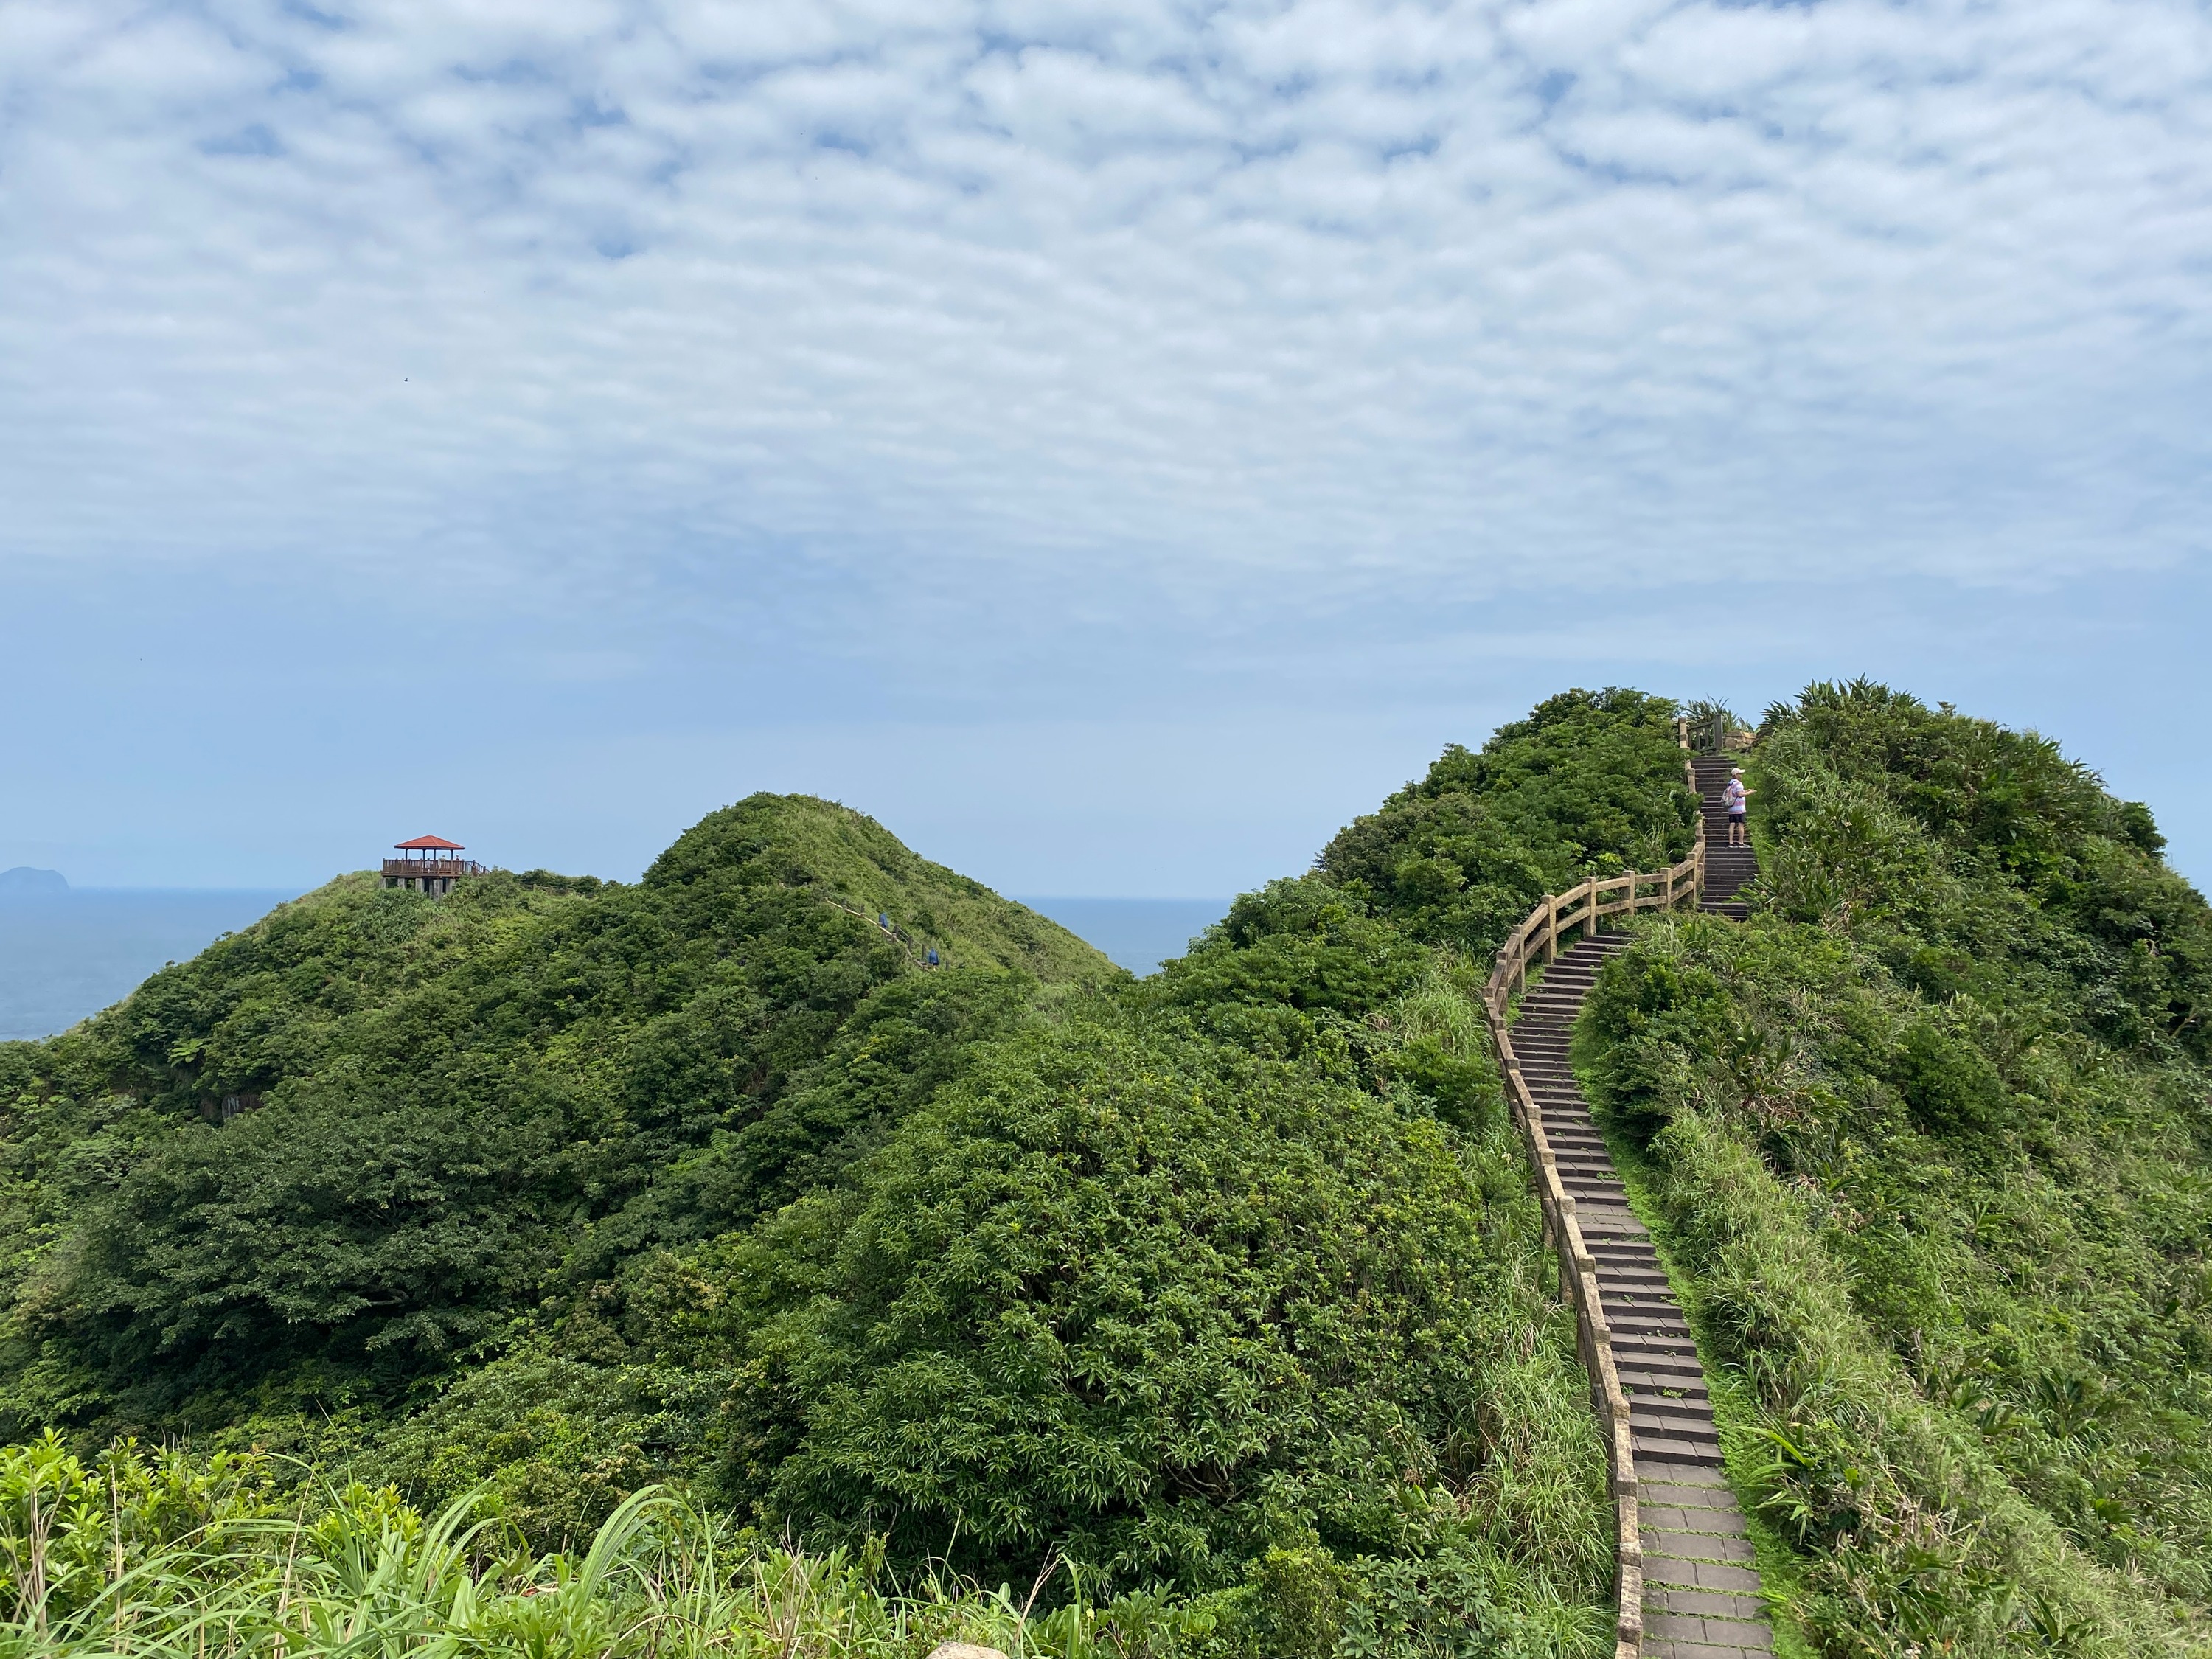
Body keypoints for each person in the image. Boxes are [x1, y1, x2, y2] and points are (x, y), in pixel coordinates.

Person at [1722, 768, 1751, 847]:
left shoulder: (1730, 783)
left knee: (1732, 824)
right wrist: (1749, 793)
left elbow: (1736, 793)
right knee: (1741, 824)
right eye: (1740, 774)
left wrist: (1746, 791)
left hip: (1732, 808)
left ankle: (1730, 842)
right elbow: (1740, 794)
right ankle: (1741, 842)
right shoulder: (1738, 783)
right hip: (1739, 808)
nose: (1741, 775)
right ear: (1736, 775)